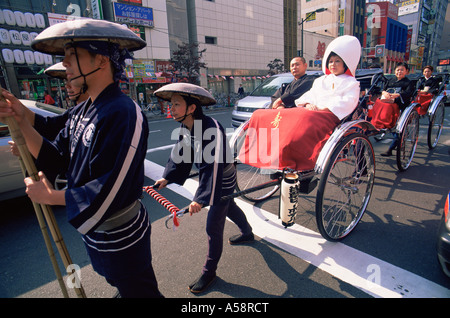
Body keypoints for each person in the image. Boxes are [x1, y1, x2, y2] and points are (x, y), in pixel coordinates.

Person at [0, 19, 163, 298]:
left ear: (100, 60)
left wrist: (52, 196)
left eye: (72, 56)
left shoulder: (123, 111)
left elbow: (109, 188)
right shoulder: (84, 108)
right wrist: (22, 119)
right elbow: (58, 158)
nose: (64, 64)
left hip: (120, 233)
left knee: (140, 291)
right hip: (99, 233)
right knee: (120, 283)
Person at [153, 83, 254, 294]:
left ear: (191, 108)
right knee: (230, 206)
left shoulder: (211, 128)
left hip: (221, 177)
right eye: (171, 104)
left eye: (176, 104)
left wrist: (201, 198)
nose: (172, 108)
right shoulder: (186, 126)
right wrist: (167, 178)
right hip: (213, 176)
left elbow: (212, 167)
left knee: (213, 226)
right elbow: (180, 153)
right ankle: (247, 232)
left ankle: (209, 272)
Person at [240, 36, 361, 172]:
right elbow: (310, 95)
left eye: (337, 61)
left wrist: (322, 108)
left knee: (303, 119)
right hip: (310, 111)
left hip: (328, 115)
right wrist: (308, 103)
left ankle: (296, 159)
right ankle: (273, 154)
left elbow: (347, 102)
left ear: (345, 63)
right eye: (330, 61)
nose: (333, 64)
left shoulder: (351, 83)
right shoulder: (321, 80)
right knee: (270, 115)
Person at [372, 62, 415, 156]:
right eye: (398, 70)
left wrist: (397, 95)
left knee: (389, 109)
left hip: (399, 103)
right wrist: (384, 93)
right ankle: (377, 123)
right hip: (388, 100)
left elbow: (408, 93)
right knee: (377, 103)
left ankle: (390, 148)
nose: (399, 72)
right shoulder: (391, 80)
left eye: (402, 70)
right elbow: (383, 89)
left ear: (406, 72)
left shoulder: (408, 82)